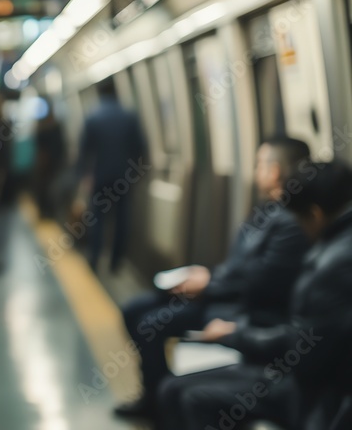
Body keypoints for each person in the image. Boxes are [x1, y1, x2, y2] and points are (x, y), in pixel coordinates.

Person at [115, 137, 311, 419]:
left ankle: (158, 402)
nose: (256, 171)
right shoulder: (265, 210)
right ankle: (154, 394)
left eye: (259, 165)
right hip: (219, 291)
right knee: (134, 309)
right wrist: (208, 275)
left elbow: (260, 281)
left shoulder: (290, 222)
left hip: (233, 306)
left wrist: (209, 285)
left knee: (151, 323)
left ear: (275, 171)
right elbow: (240, 265)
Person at [157, 160, 352, 430]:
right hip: (318, 384)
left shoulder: (330, 268)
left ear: (315, 215)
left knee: (185, 394)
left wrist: (235, 336)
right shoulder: (338, 249)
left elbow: (304, 352)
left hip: (314, 395)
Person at [75, 77, 147, 272]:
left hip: (99, 176)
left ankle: (95, 257)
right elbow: (140, 148)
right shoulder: (129, 117)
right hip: (123, 177)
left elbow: (84, 152)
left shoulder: (93, 118)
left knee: (97, 217)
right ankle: (116, 262)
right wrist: (134, 173)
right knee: (122, 219)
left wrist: (84, 176)